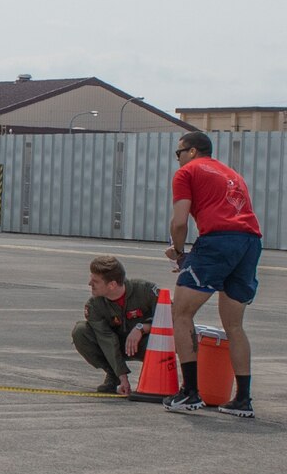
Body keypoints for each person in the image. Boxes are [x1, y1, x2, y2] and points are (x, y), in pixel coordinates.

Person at [164, 131, 261, 418]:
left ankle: (190, 392)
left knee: (181, 313)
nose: (177, 158)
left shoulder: (187, 172)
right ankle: (242, 399)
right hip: (250, 242)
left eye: (178, 152)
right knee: (234, 326)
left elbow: (179, 222)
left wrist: (180, 253)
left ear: (192, 151)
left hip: (218, 241)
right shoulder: (231, 173)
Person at [71, 255, 159, 395]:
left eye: (95, 281)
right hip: (116, 347)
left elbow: (171, 318)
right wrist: (122, 377)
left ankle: (167, 378)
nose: (89, 284)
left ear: (112, 285)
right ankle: (113, 375)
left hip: (146, 344)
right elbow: (107, 340)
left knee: (174, 336)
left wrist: (142, 328)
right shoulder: (95, 305)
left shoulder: (146, 291)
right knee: (81, 331)